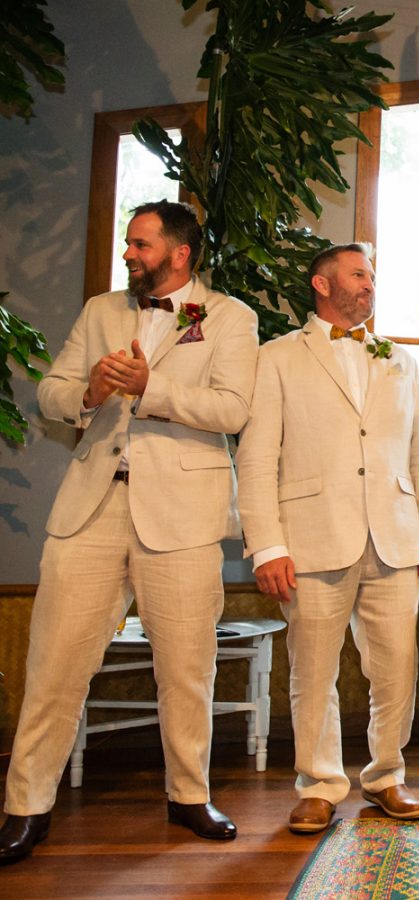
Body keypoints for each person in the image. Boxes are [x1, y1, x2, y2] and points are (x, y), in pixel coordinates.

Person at [0, 200, 258, 863]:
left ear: (180, 253)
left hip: (184, 516)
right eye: (127, 242)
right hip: (90, 509)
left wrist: (151, 389)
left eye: (140, 244)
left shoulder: (230, 317)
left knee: (186, 669)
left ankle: (189, 795)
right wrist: (88, 392)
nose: (128, 253)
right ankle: (26, 806)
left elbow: (233, 409)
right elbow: (51, 394)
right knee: (54, 664)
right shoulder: (99, 311)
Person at [235, 243, 419, 835]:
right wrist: (268, 545)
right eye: (357, 275)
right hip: (310, 538)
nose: (369, 285)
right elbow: (257, 458)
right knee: (313, 672)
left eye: (372, 276)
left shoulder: (400, 360)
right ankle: (319, 784)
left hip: (395, 538)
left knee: (396, 668)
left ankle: (387, 776)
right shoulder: (276, 357)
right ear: (322, 285)